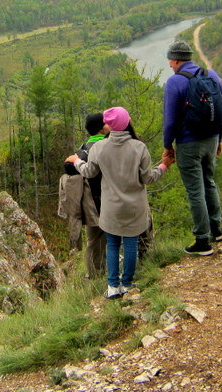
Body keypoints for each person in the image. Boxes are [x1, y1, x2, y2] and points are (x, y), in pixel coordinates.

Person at [66, 106, 172, 299]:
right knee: (130, 243)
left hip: (110, 207)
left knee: (113, 245)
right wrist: (164, 165)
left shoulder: (99, 148)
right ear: (126, 123)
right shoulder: (139, 147)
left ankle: (113, 286)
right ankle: (128, 283)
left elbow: (89, 172)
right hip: (134, 207)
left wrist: (76, 162)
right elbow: (148, 179)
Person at [162, 40, 222, 256]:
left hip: (188, 143)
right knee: (209, 182)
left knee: (195, 191)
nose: (170, 64)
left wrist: (167, 146)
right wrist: (219, 139)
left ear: (177, 59)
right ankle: (217, 230)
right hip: (211, 140)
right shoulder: (211, 74)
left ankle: (202, 240)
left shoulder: (175, 82)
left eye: (170, 60)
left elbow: (170, 120)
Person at [60, 113, 107, 278]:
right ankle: (104, 274)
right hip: (104, 199)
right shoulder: (105, 145)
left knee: (93, 241)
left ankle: (94, 275)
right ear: (102, 128)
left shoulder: (83, 147)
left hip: (88, 203)